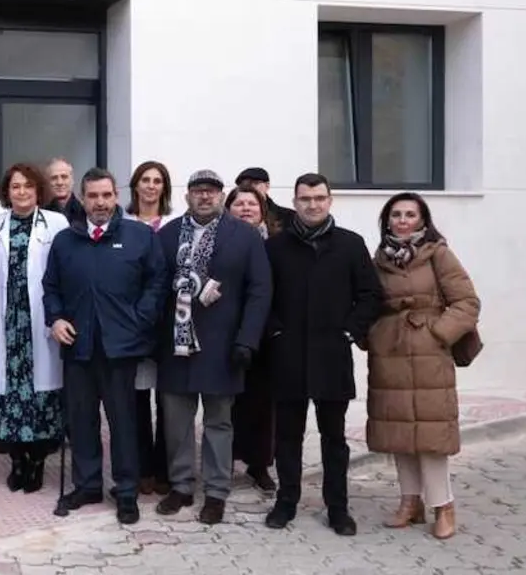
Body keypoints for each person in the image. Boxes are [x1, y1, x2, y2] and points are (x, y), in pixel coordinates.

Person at [43, 167, 166, 526]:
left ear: (116, 197)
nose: (100, 202)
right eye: (93, 196)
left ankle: (126, 490)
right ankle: (88, 484)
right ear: (83, 198)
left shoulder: (139, 236)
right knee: (81, 420)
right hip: (78, 347)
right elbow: (51, 287)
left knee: (124, 422)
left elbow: (157, 282)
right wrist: (56, 318)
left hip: (120, 349)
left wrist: (139, 319)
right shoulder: (66, 241)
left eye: (106, 195)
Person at [263, 173, 382, 536]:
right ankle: (286, 501)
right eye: (304, 199)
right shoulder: (276, 247)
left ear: (330, 201)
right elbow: (261, 296)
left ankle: (338, 508)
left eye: (319, 198)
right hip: (288, 356)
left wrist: (349, 330)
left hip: (332, 355)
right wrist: (276, 331)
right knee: (287, 437)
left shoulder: (350, 244)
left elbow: (371, 294)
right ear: (294, 202)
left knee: (334, 438)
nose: (312, 205)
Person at [153, 170, 272, 525]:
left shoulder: (244, 235)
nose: (205, 197)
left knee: (219, 422)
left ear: (222, 196)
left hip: (223, 346)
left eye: (212, 191)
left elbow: (260, 290)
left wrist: (247, 339)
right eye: (198, 191)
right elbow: (156, 287)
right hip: (175, 344)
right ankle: (181, 485)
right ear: (187, 196)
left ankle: (217, 491)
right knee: (176, 421)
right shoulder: (169, 235)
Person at [366, 192, 479, 540]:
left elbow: (467, 301)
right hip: (391, 353)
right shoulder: (379, 257)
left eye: (409, 214)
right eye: (396, 214)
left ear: (422, 220)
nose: (402, 220)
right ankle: (409, 502)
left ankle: (443, 505)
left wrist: (438, 334)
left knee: (430, 434)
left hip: (429, 354)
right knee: (399, 431)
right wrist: (372, 334)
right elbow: (370, 301)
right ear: (387, 220)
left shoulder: (438, 254)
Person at [0, 164, 68, 493]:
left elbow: (65, 271)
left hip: (40, 320)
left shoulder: (57, 223)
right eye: (15, 187)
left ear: (38, 191)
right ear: (7, 191)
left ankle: (37, 463)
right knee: (10, 397)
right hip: (7, 322)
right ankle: (17, 462)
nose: (21, 192)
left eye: (28, 186)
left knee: (40, 396)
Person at [224, 185, 279, 489]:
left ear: (262, 210)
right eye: (239, 203)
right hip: (228, 332)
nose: (246, 208)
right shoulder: (221, 240)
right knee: (227, 402)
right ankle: (225, 461)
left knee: (262, 403)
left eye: (252, 204)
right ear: (228, 209)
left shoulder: (275, 243)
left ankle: (260, 464)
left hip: (267, 334)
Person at [125, 160, 174, 495]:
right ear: (136, 186)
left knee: (169, 403)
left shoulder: (174, 225)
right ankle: (141, 468)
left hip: (169, 323)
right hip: (132, 324)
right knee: (137, 401)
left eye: (157, 181)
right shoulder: (123, 224)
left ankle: (166, 470)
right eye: (146, 180)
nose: (151, 186)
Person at [44, 158, 86, 225]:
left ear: (72, 180)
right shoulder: (42, 215)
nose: (59, 182)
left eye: (64, 177)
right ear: (48, 182)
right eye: (54, 178)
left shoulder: (86, 212)